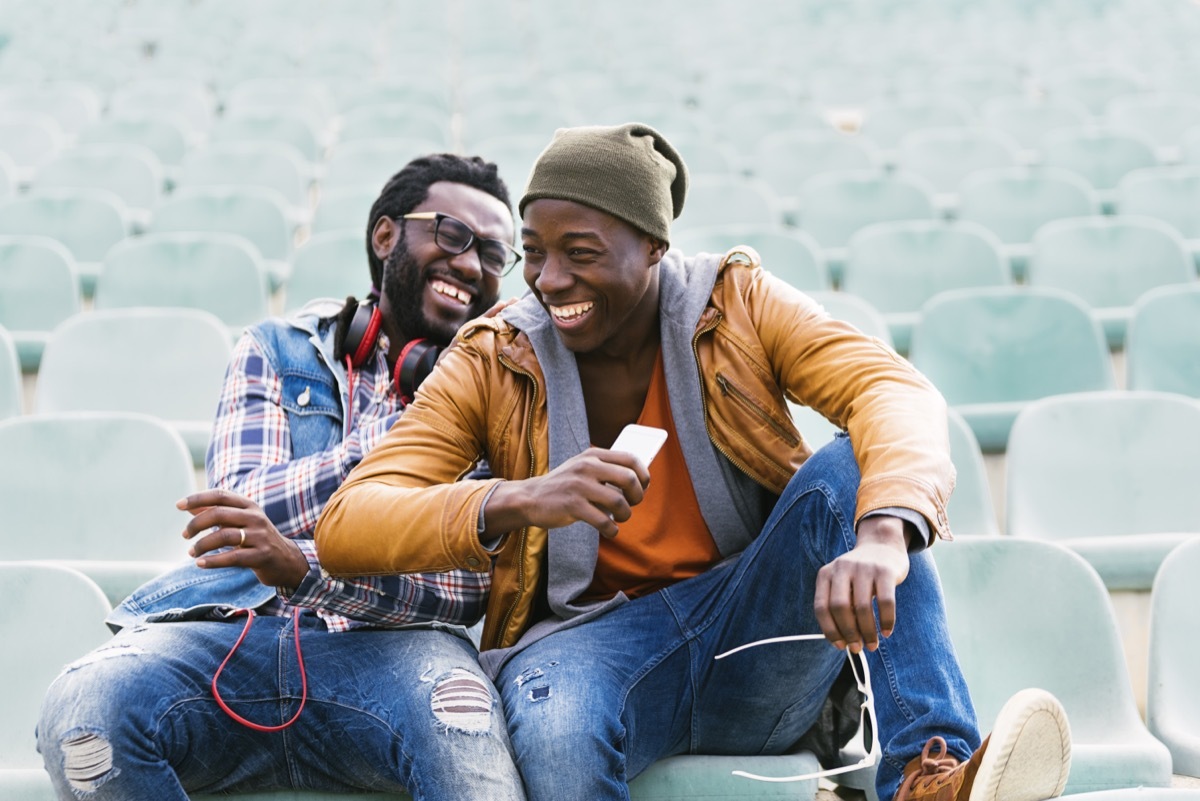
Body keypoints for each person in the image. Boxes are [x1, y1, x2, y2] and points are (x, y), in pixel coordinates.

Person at [312, 124, 1073, 801]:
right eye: (535, 255)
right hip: (583, 649)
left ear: (653, 247)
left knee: (849, 474)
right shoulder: (495, 352)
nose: (548, 282)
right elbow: (349, 521)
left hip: (753, 625)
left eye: (581, 254)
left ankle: (926, 774)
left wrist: (881, 534)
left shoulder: (735, 303)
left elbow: (889, 387)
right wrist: (520, 498)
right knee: (553, 730)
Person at [36, 154, 526, 801]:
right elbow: (236, 510)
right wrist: (411, 451)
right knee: (85, 716)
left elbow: (463, 582)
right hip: (226, 624)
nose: (471, 263)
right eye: (453, 234)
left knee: (464, 723)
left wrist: (300, 561)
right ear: (385, 236)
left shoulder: (501, 389)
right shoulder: (276, 346)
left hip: (399, 652)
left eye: (494, 254)